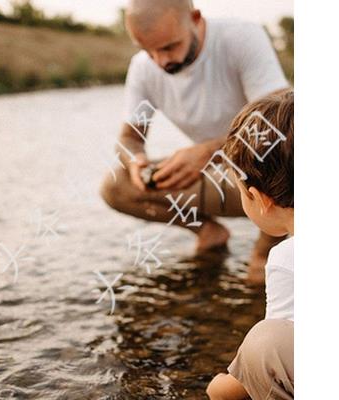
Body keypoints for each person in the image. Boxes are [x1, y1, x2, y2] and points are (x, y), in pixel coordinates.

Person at [100, 0, 290, 283]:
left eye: (168, 47)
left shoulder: (241, 37)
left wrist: (208, 151)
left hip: (268, 175)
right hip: (223, 180)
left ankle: (267, 250)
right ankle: (207, 231)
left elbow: (284, 130)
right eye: (147, 50)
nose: (160, 61)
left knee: (277, 159)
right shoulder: (142, 68)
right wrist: (136, 160)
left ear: (195, 18)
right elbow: (129, 138)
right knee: (116, 185)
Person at [206, 89, 294, 399]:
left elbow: (276, 355)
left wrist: (224, 386)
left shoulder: (288, 257)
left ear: (258, 199)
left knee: (263, 343)